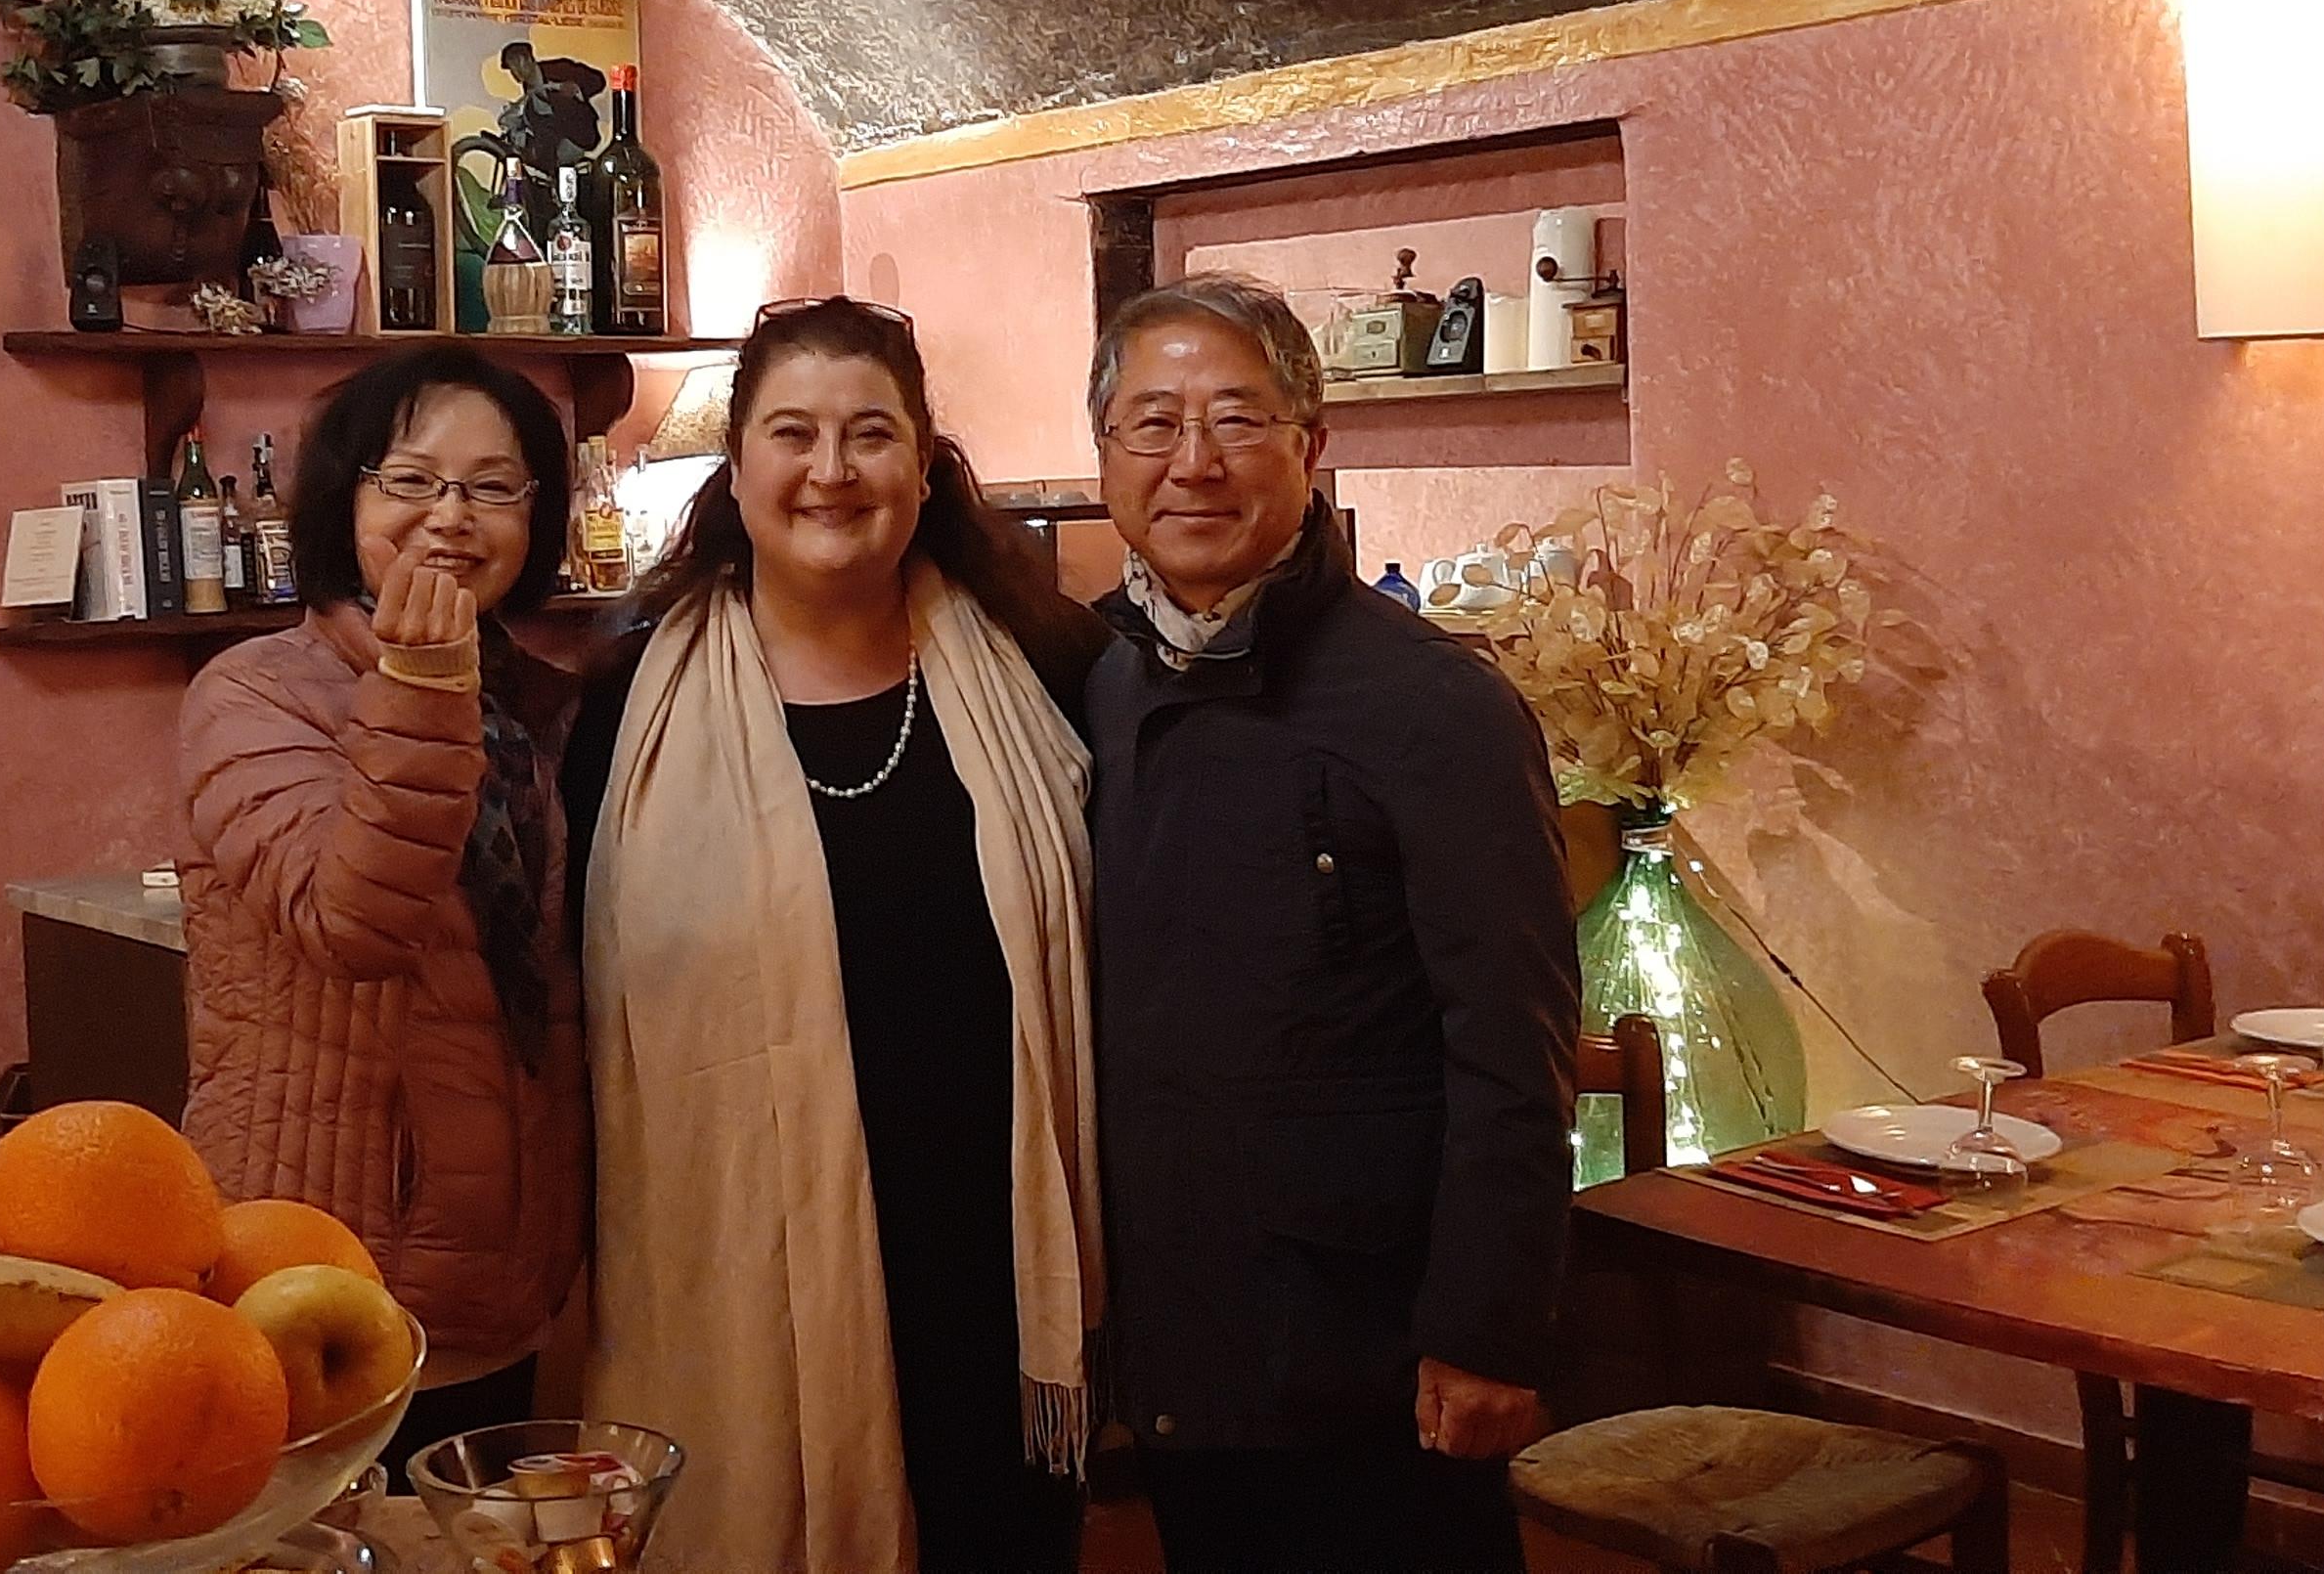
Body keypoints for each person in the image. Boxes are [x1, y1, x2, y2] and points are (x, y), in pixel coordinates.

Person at [561, 297, 1111, 1573]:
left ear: (925, 463)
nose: (830, 470)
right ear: (738, 463)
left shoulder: (1047, 664)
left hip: (989, 1254)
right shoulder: (627, 702)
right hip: (733, 1268)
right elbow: (564, 1002)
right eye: (791, 433)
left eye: (870, 434)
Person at [1081, 274, 1579, 1574]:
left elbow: (1515, 1049)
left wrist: (1489, 1330)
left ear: (1311, 447)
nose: (1194, 462)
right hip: (1180, 1323)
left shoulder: (1431, 708)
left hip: (1370, 1343)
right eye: (1153, 424)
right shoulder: (1086, 679)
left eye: (1238, 420)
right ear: (1106, 458)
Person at [176, 345, 587, 1473]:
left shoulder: (549, 711)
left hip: (503, 1275)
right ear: (344, 498)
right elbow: (350, 920)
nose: (450, 517)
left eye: (493, 486)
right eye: (409, 480)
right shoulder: (256, 693)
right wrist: (421, 683)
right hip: (322, 1267)